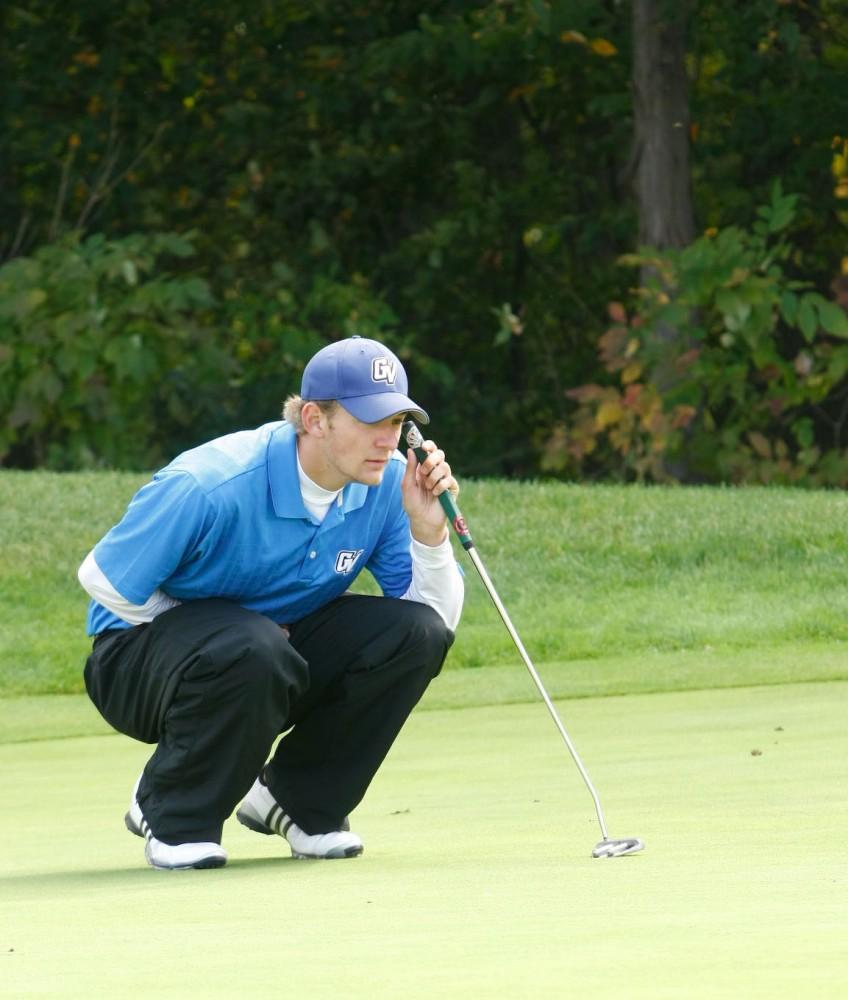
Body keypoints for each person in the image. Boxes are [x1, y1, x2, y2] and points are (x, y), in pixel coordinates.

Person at [78, 335, 463, 870]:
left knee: (413, 634)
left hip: (266, 655)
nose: (387, 439)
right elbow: (103, 580)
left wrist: (429, 533)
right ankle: (173, 812)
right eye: (369, 421)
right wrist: (225, 629)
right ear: (314, 419)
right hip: (133, 662)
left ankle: (297, 801)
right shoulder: (211, 481)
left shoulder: (388, 486)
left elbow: (434, 625)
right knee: (251, 644)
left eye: (396, 423)